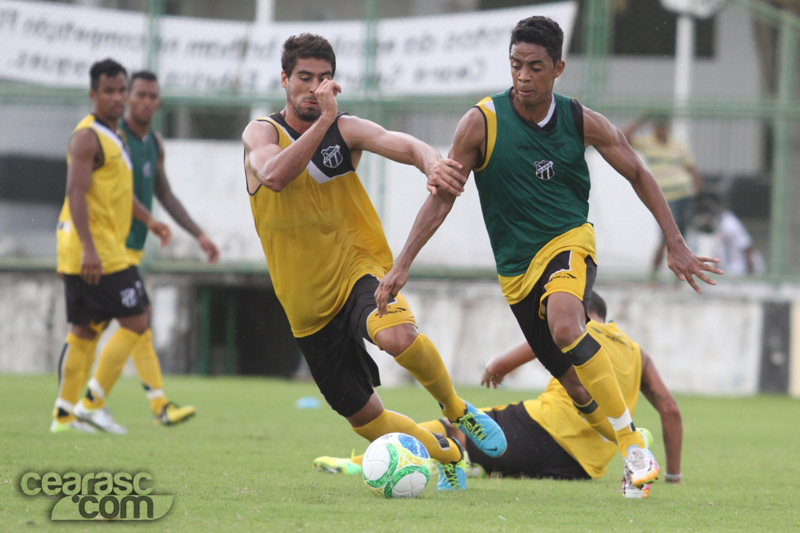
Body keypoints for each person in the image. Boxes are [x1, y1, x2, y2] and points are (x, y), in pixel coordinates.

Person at [373, 16, 721, 492]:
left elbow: (638, 172)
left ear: (557, 68)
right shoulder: (481, 122)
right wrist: (402, 264)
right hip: (516, 271)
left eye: (535, 67)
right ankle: (634, 443)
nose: (523, 76)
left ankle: (634, 452)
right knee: (576, 388)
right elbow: (444, 195)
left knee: (565, 323)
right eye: (516, 65)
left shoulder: (580, 120)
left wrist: (675, 243)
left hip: (569, 242)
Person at [241, 33, 507, 490]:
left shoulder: (344, 129)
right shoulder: (261, 133)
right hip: (305, 304)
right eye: (304, 78)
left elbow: (397, 142)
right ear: (284, 79)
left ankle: (456, 409)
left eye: (325, 79)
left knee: (397, 334)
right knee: (364, 418)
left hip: (357, 268)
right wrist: (323, 120)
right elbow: (276, 176)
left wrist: (430, 162)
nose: (315, 88)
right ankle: (446, 451)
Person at [313, 292, 683, 499]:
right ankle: (466, 463)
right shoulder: (637, 351)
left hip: (548, 427)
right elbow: (669, 409)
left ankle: (361, 462)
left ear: (584, 312)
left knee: (456, 428)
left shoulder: (576, 329)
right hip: (585, 466)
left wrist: (498, 365)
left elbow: (539, 343)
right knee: (488, 454)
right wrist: (674, 475)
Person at [75, 71, 220, 432]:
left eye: (152, 96)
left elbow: (165, 194)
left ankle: (152, 406)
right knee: (127, 321)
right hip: (109, 245)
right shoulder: (112, 137)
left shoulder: (153, 142)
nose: (145, 101)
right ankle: (87, 405)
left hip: (132, 248)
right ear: (127, 98)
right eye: (138, 94)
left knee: (132, 324)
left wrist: (198, 234)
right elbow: (108, 192)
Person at [52, 58, 171, 433]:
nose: (118, 97)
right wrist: (88, 248)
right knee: (137, 319)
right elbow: (76, 193)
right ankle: (90, 402)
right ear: (93, 94)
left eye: (122, 89)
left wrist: (148, 220)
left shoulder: (115, 136)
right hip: (97, 251)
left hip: (100, 248)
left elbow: (117, 195)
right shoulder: (87, 136)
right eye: (110, 90)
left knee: (84, 332)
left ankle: (63, 416)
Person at [623, 115, 704, 278]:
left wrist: (699, 190)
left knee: (683, 238)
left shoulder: (678, 145)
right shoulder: (647, 142)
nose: (662, 130)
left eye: (664, 127)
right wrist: (640, 121)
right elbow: (623, 138)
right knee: (666, 237)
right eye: (659, 127)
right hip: (666, 198)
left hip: (685, 194)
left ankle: (680, 278)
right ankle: (653, 275)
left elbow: (690, 168)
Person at [690, 192, 765, 276]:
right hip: (727, 270)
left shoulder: (730, 223)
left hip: (739, 270)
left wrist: (751, 272)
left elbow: (746, 246)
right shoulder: (719, 223)